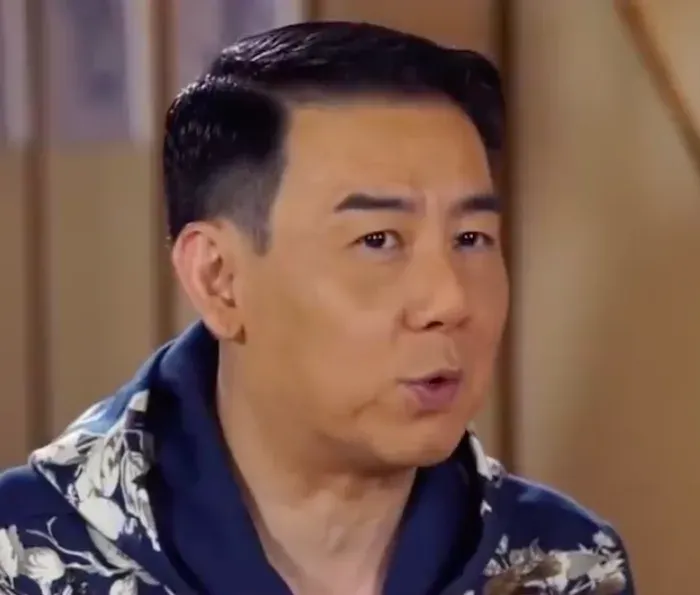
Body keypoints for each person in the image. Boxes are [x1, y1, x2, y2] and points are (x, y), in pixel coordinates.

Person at [0, 21, 634, 595]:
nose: (449, 300)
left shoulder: (562, 565)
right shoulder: (26, 556)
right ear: (219, 278)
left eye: (471, 238)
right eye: (378, 240)